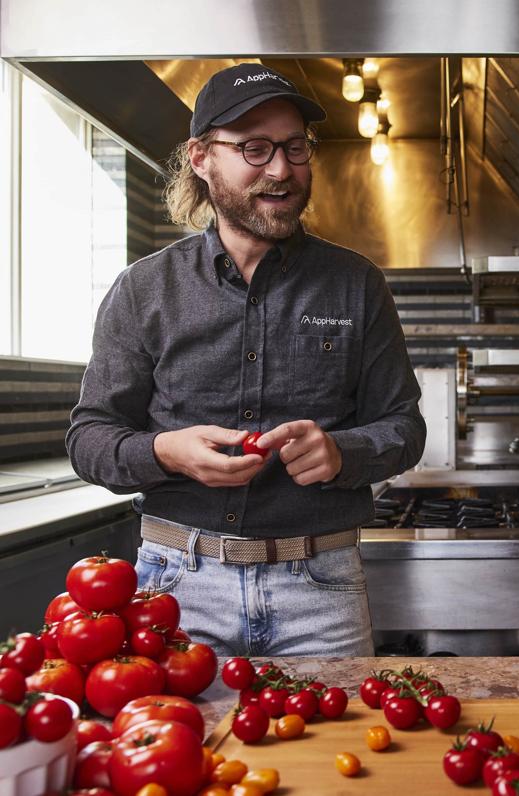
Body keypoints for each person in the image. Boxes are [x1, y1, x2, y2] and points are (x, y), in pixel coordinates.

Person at [67, 64, 426, 658]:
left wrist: (344, 453)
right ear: (202, 157)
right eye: (254, 149)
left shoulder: (356, 284)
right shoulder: (144, 289)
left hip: (322, 588)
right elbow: (89, 439)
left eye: (294, 148)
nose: (281, 170)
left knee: (334, 753)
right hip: (176, 589)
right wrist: (166, 452)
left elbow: (404, 429)